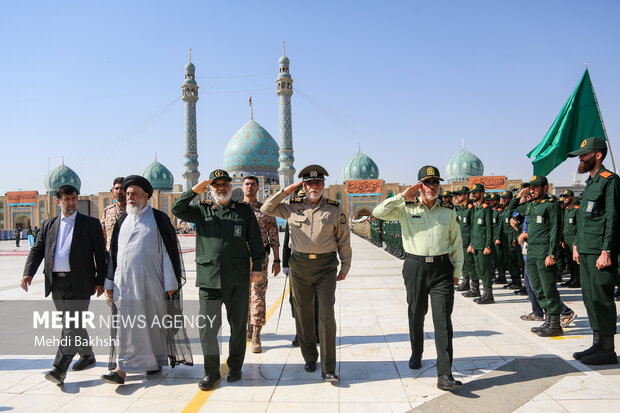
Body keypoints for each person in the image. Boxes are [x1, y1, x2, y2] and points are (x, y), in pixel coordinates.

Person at [172, 169, 265, 390]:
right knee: (207, 329)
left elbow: (256, 241)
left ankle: (235, 366)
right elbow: (177, 209)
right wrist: (195, 190)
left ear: (231, 187)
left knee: (238, 326)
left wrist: (259, 268)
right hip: (209, 280)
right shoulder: (201, 210)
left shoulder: (243, 211)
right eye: (216, 185)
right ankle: (211, 372)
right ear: (210, 189)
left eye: (224, 184)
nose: (221, 188)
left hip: (237, 278)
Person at [373, 165, 464, 391]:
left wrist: (457, 272)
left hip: (442, 269)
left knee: (443, 321)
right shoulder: (406, 208)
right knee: (416, 312)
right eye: (427, 183)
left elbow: (457, 244)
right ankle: (416, 351)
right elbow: (378, 213)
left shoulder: (447, 211)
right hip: (415, 266)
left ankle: (444, 374)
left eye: (435, 183)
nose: (432, 187)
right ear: (419, 186)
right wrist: (402, 196)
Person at [261, 164, 351, 383]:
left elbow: (343, 239)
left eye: (318, 182)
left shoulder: (334, 208)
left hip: (326, 268)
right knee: (303, 314)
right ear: (304, 185)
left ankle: (329, 367)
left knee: (326, 315)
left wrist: (345, 266)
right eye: (309, 183)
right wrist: (286, 191)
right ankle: (310, 356)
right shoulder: (291, 206)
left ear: (323, 185)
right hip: (299, 267)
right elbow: (266, 208)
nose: (314, 186)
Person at [101, 176, 192, 385]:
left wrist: (171, 284)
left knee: (152, 325)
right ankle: (121, 369)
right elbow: (114, 254)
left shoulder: (159, 219)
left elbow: (169, 254)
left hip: (153, 284)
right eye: (128, 193)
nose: (129, 197)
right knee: (126, 326)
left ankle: (154, 362)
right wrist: (108, 284)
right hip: (124, 285)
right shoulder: (122, 220)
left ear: (146, 196)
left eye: (134, 193)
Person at [21, 185, 107, 385]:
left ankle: (60, 368)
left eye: (74, 198)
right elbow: (38, 250)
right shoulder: (48, 224)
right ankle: (87, 355)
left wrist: (100, 281)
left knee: (72, 325)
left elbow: (101, 255)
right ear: (58, 201)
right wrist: (28, 273)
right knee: (72, 325)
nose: (71, 203)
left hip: (80, 282)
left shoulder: (90, 224)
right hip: (56, 282)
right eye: (67, 199)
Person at [568, 137, 620, 365]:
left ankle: (608, 349)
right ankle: (597, 343)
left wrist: (607, 250)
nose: (580, 158)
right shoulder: (591, 184)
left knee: (602, 298)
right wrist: (577, 245)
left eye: (584, 154)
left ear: (598, 155)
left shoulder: (610, 181)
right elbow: (584, 219)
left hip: (600, 250)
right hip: (587, 249)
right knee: (589, 298)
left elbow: (613, 218)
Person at [509, 175, 565, 337]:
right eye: (530, 187)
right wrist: (518, 196)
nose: (532, 190)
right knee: (537, 288)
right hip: (532, 252)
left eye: (535, 187)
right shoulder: (531, 206)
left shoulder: (551, 206)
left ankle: (554, 323)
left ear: (545, 188)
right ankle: (547, 320)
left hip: (544, 253)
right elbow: (510, 213)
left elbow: (555, 231)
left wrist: (552, 254)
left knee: (548, 288)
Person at [241, 175, 281, 353]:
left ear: (258, 188)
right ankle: (247, 328)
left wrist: (277, 260)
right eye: (247, 184)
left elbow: (274, 236)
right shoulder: (236, 210)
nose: (250, 187)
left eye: (253, 184)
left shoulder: (265, 211)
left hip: (259, 260)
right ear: (242, 187)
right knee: (243, 296)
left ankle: (256, 333)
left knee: (257, 295)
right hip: (239, 260)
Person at [467, 184, 494, 304]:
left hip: (483, 246)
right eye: (472, 192)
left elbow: (489, 228)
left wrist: (488, 245)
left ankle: (489, 295)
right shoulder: (476, 209)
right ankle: (483, 293)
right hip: (476, 246)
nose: (473, 194)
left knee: (485, 270)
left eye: (475, 192)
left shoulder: (485, 208)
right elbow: (473, 229)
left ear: (482, 194)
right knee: (479, 270)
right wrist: (471, 244)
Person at [452, 186, 475, 293]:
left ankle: (475, 288)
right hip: (461, 242)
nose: (457, 197)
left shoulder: (471, 209)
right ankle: (465, 282)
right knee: (464, 263)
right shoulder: (460, 210)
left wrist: (471, 243)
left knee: (471, 265)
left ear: (466, 195)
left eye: (459, 195)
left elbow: (474, 227)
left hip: (468, 242)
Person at [498, 191, 522, 290]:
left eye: (505, 198)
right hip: (505, 239)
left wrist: (513, 239)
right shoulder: (505, 211)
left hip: (512, 239)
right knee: (510, 261)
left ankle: (518, 282)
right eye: (502, 198)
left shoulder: (513, 210)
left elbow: (514, 226)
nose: (503, 200)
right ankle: (514, 280)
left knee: (515, 261)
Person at [559, 190, 580, 288]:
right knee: (569, 261)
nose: (565, 199)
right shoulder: (566, 210)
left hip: (574, 239)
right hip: (567, 239)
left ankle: (577, 280)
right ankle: (572, 278)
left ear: (572, 197)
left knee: (576, 261)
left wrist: (576, 241)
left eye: (567, 197)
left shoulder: (576, 210)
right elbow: (564, 226)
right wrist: (562, 239)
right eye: (564, 197)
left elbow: (579, 227)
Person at [101, 177, 126, 251]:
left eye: (122, 188)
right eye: (117, 189)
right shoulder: (107, 211)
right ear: (113, 190)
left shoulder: (133, 211)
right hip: (110, 255)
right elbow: (102, 236)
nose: (119, 191)